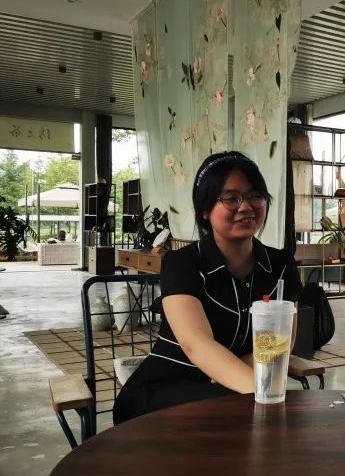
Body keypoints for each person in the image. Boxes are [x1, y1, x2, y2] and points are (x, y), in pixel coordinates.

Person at [114, 151, 301, 424]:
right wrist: (262, 394)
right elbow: (196, 345)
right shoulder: (182, 264)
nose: (246, 207)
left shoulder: (281, 265)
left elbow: (282, 341)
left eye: (255, 195)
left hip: (234, 390)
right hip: (165, 393)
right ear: (205, 209)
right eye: (231, 198)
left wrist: (239, 380)